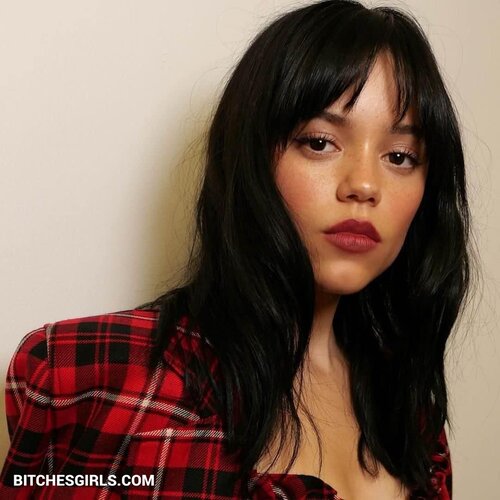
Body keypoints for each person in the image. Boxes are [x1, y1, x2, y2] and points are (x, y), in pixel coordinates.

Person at [0, 0, 471, 498]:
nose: (364, 185)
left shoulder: (411, 413)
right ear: (250, 156)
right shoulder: (86, 377)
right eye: (319, 142)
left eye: (400, 156)